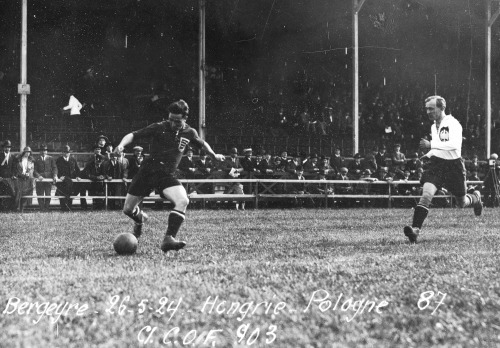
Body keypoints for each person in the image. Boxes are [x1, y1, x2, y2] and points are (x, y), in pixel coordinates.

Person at [114, 99, 225, 252]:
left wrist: (213, 155)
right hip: (147, 172)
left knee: (183, 200)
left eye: (177, 121)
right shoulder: (159, 127)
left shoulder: (190, 132)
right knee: (127, 210)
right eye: (171, 119)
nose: (173, 124)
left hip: (166, 175)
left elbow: (202, 143)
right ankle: (140, 219)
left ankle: (168, 239)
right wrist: (121, 145)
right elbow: (132, 135)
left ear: (185, 118)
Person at [403, 96, 483, 243]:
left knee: (462, 203)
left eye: (431, 108)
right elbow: (440, 146)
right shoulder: (434, 126)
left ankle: (476, 198)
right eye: (426, 109)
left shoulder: (453, 124)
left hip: (454, 167)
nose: (428, 112)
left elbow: (453, 145)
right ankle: (415, 230)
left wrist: (431, 145)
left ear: (441, 108)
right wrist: (429, 154)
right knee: (426, 195)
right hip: (437, 165)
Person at [55, 145, 82, 211]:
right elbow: (56, 170)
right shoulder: (59, 160)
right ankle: (63, 208)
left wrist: (78, 176)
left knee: (70, 194)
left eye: (67, 152)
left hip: (71, 180)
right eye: (64, 152)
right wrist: (59, 176)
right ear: (62, 153)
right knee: (62, 194)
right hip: (62, 181)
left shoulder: (73, 159)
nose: (66, 153)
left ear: (70, 153)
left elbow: (77, 169)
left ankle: (69, 207)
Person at [33, 144, 58, 211]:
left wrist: (55, 175)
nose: (43, 152)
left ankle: (46, 208)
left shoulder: (51, 158)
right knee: (40, 194)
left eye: (45, 150)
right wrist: (38, 176)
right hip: (40, 180)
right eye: (42, 150)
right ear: (40, 151)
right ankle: (41, 208)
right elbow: (34, 170)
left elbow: (54, 168)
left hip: (48, 179)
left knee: (48, 194)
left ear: (47, 151)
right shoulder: (36, 159)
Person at [15, 146, 36, 211]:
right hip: (20, 178)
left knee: (26, 193)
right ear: (24, 152)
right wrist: (21, 174)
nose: (28, 153)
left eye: (29, 152)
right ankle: (17, 207)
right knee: (18, 193)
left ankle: (22, 208)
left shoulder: (31, 160)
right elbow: (16, 168)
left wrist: (28, 174)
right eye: (26, 152)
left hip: (27, 179)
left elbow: (32, 170)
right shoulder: (18, 159)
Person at [0, 140, 17, 210]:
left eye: (9, 147)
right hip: (1, 178)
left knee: (11, 193)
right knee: (1, 193)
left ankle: (10, 208)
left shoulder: (13, 157)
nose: (8, 149)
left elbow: (14, 168)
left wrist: (13, 175)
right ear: (3, 148)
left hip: (10, 179)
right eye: (6, 147)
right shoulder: (0, 155)